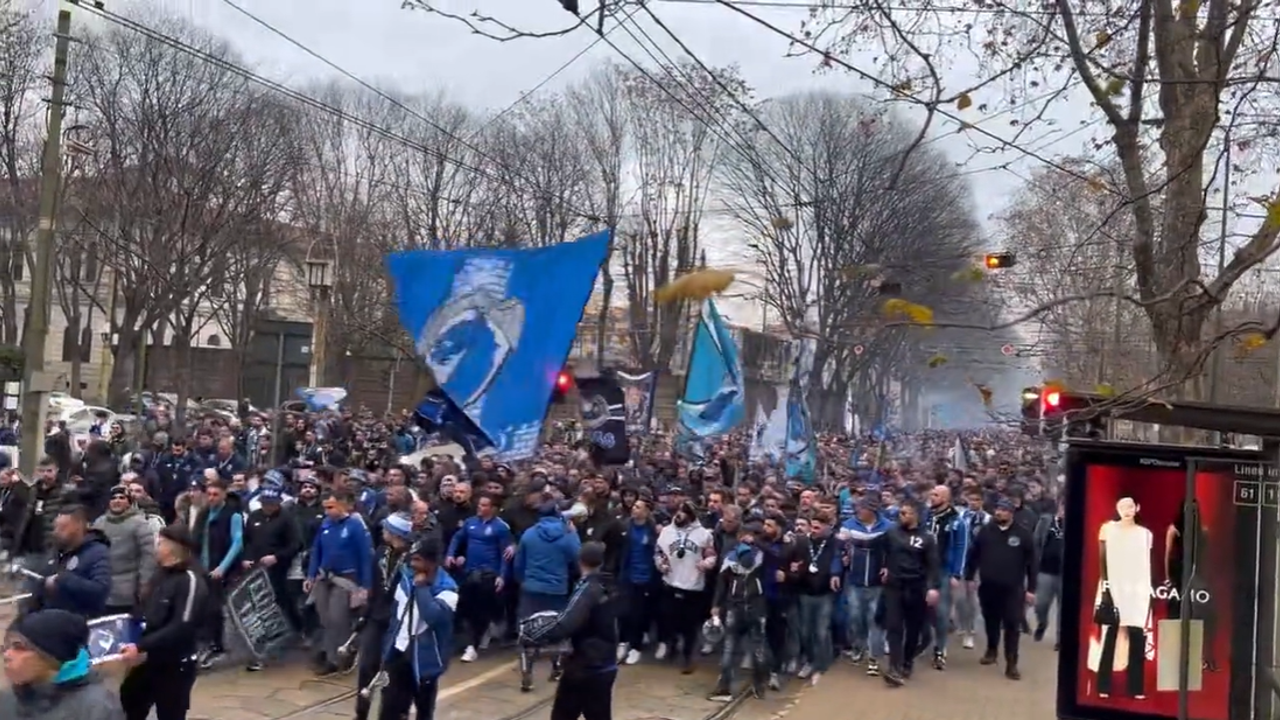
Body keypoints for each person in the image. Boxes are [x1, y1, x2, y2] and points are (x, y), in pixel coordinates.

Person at [118, 525, 208, 720]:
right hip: (149, 659)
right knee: (130, 702)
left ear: (174, 547)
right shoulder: (160, 574)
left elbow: (182, 626)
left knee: (170, 713)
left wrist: (141, 646)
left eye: (160, 543)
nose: (156, 547)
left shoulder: (190, 579)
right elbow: (144, 610)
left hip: (176, 663)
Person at [521, 541, 617, 720]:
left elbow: (566, 623)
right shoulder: (608, 585)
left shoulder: (587, 589)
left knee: (562, 715)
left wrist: (534, 635)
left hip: (586, 666)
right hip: (606, 663)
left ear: (580, 561)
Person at [378, 534, 458, 720]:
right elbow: (395, 614)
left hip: (426, 659)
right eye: (411, 558)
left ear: (431, 563)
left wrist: (422, 588)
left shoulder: (448, 590)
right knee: (390, 708)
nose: (412, 564)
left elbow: (432, 616)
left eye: (417, 560)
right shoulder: (406, 577)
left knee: (424, 710)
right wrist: (387, 648)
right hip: (398, 652)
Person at [0, 609, 125, 720]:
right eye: (6, 647)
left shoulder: (97, 707)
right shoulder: (9, 699)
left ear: (51, 656)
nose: (6, 655)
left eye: (19, 647)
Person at [514, 491, 581, 691]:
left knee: (527, 632)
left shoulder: (529, 534)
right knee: (557, 629)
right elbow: (578, 559)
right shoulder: (567, 534)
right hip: (557, 589)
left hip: (531, 589)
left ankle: (527, 676)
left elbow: (519, 564)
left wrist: (522, 581)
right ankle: (557, 668)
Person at [965, 498, 1037, 680]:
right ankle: (991, 650)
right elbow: (973, 554)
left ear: (1011, 513)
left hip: (1013, 588)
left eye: (1003, 510)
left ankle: (1012, 663)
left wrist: (1031, 589)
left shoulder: (1023, 534)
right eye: (997, 509)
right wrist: (969, 576)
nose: (998, 513)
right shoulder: (986, 531)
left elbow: (1032, 564)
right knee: (991, 620)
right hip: (989, 586)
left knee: (1013, 624)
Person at [352, 512, 415, 720]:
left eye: (386, 528)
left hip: (400, 622)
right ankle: (361, 713)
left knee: (394, 672)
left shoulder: (413, 558)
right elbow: (375, 588)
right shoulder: (381, 552)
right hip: (377, 617)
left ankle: (396, 713)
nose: (382, 531)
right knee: (367, 665)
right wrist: (365, 614)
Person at [306, 488, 373, 676]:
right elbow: (316, 550)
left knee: (338, 618)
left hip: (345, 578)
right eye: (325, 507)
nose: (327, 511)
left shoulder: (355, 526)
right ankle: (329, 653)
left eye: (331, 507)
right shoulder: (325, 524)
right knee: (325, 618)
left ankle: (340, 656)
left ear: (342, 506)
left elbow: (365, 556)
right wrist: (311, 575)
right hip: (324, 576)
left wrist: (365, 586)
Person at [242, 485, 303, 671]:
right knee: (258, 606)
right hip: (255, 571)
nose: (267, 507)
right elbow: (248, 540)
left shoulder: (287, 519)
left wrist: (277, 557)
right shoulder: (254, 517)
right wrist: (246, 558)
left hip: (278, 569)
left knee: (283, 602)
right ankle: (263, 642)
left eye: (271, 504)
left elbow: (296, 544)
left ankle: (296, 629)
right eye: (264, 504)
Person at [24, 505, 112, 619]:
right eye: (55, 527)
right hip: (49, 619)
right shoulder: (56, 552)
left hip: (80, 621)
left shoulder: (97, 552)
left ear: (78, 526)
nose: (56, 532)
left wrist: (63, 579)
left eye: (62, 528)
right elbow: (41, 584)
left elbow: (100, 590)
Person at [92, 485, 158, 616]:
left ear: (129, 502)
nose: (117, 501)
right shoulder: (99, 523)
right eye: (114, 498)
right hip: (102, 588)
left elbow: (148, 556)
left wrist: (144, 583)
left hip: (128, 591)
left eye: (122, 498)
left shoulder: (140, 523)